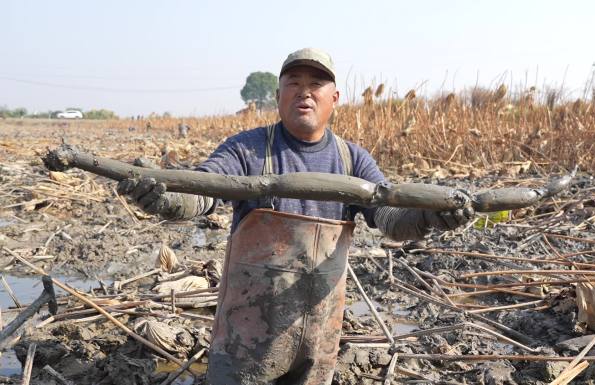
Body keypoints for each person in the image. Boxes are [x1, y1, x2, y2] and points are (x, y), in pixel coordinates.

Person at [117, 48, 474, 385]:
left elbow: (390, 218)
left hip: (316, 346)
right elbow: (202, 193)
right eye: (294, 83)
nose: (305, 92)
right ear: (278, 95)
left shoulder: (352, 161)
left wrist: (431, 217)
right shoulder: (247, 150)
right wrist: (164, 198)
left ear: (334, 98)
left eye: (316, 84)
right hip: (246, 339)